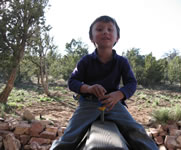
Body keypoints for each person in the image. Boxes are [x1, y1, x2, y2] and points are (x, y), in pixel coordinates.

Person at [50, 15, 158, 150]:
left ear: (117, 37)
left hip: (114, 104)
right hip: (88, 104)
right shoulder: (86, 61)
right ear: (91, 38)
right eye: (100, 29)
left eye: (110, 30)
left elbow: (131, 83)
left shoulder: (122, 62)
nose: (105, 32)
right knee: (70, 136)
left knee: (137, 132)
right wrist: (88, 88)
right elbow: (72, 81)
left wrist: (119, 95)